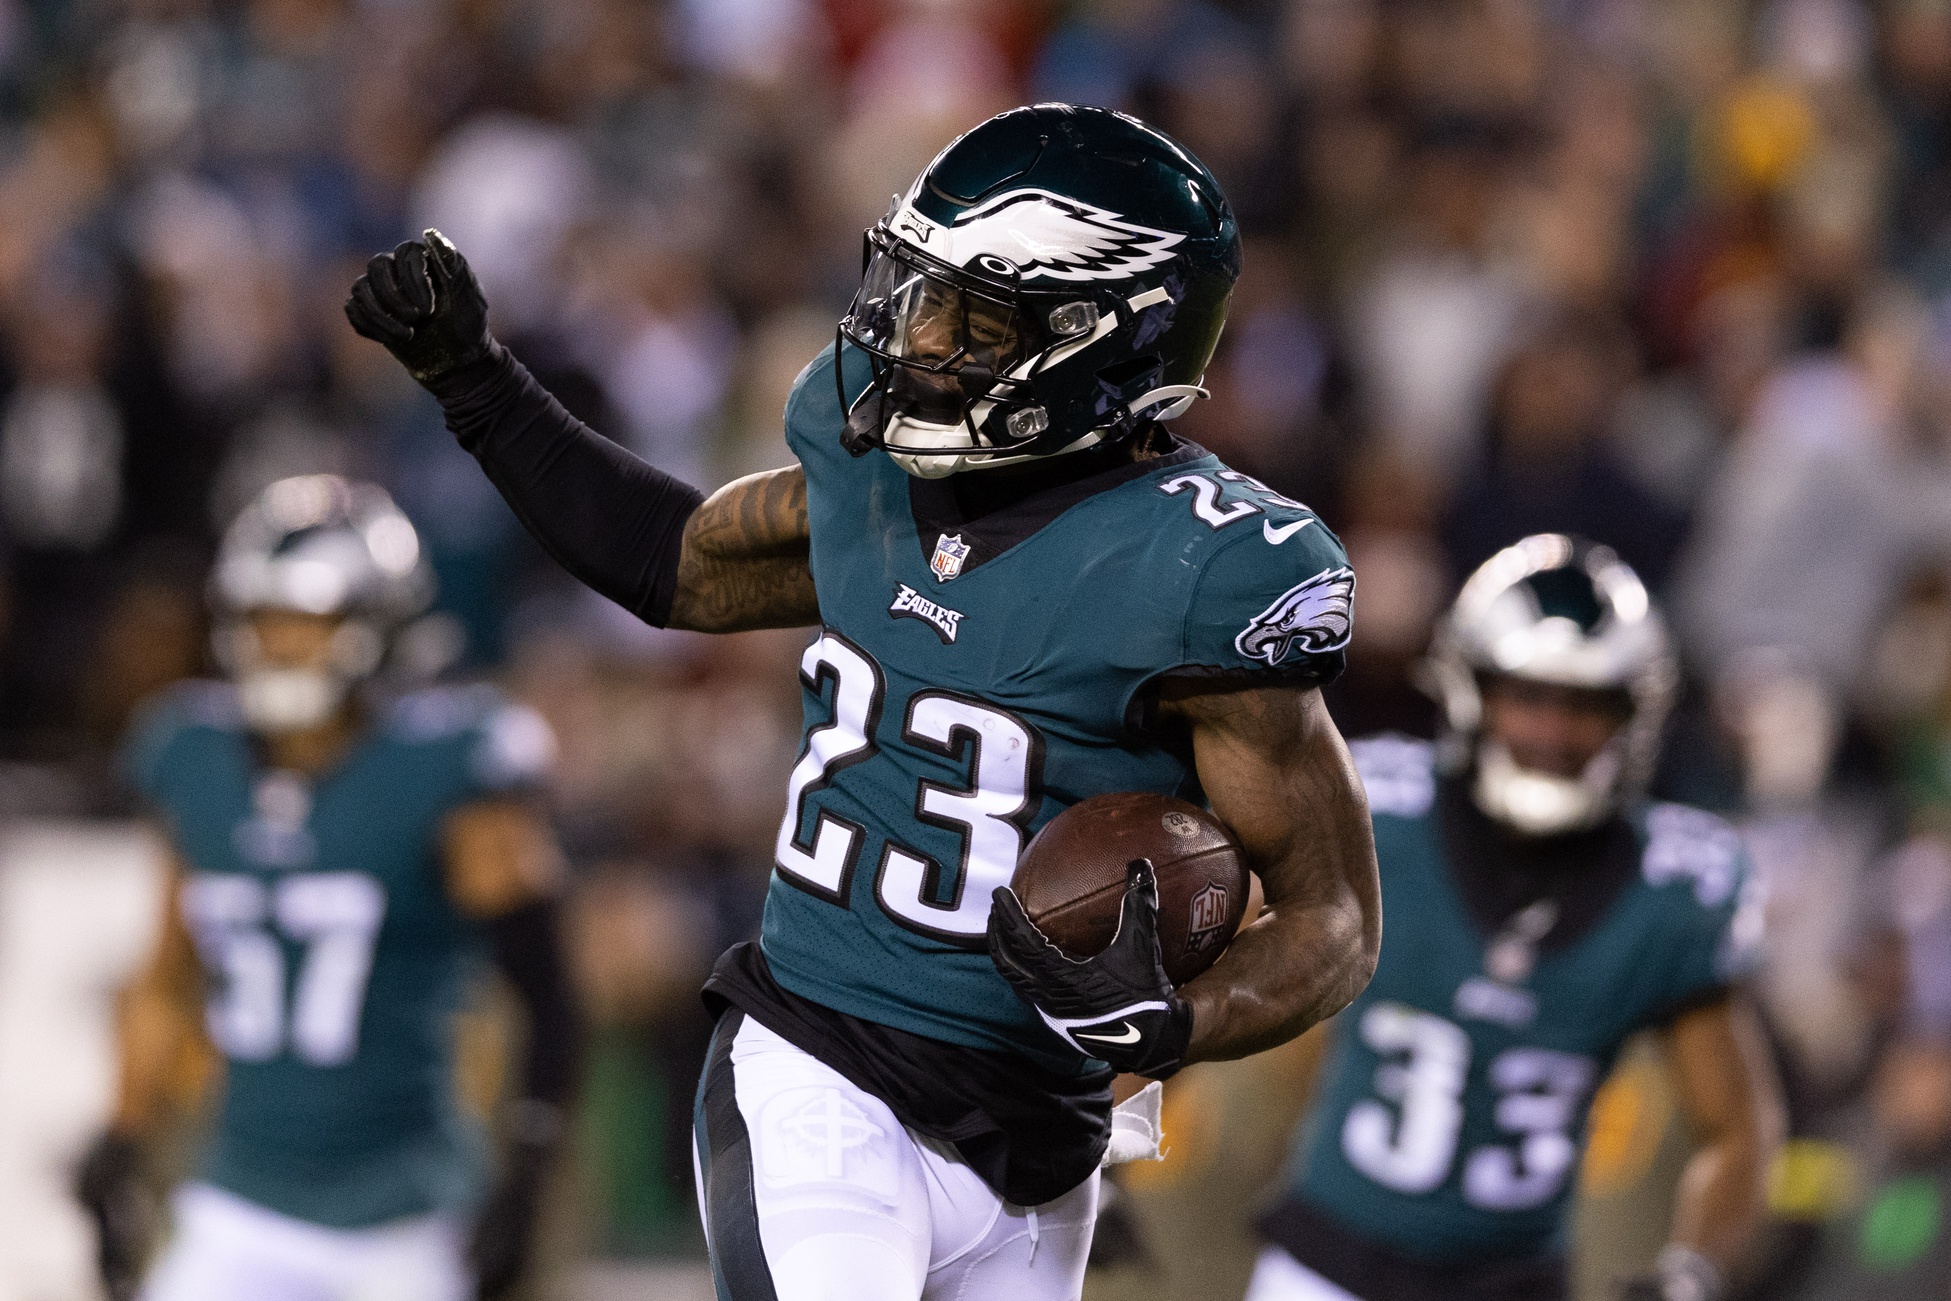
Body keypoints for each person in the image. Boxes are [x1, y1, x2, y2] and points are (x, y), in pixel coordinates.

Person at [345, 103, 1382, 1299]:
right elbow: (674, 559)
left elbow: (1334, 917)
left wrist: (1177, 1022)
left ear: (1107, 339)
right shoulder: (873, 472)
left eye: (974, 315)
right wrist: (478, 383)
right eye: (919, 289)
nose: (918, 332)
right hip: (818, 1066)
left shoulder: (1209, 573)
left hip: (1039, 1144)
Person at [75, 475, 578, 1301]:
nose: (281, 645)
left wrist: (526, 1165)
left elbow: (547, 995)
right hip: (240, 1199)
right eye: (265, 619)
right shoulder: (191, 756)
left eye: (309, 621)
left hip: (405, 1212)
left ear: (379, 627)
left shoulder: (449, 769)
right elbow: (167, 977)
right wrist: (123, 1133)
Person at [1246, 534, 1783, 1301]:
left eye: (1587, 704)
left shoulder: (1673, 888)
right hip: (1324, 1269)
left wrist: (1692, 1272)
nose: (1552, 733)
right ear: (1471, 689)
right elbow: (1197, 982)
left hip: (1514, 1282)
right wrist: (1107, 1135)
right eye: (1527, 695)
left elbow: (1735, 1128)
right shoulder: (1377, 817)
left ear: (1635, 713)